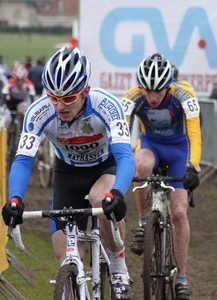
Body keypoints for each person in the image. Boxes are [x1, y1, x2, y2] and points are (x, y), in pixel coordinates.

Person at [1, 47, 135, 300]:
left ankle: (118, 268)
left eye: (69, 98)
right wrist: (15, 198)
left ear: (85, 91)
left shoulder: (106, 105)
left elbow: (125, 157)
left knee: (100, 198)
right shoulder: (40, 111)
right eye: (54, 97)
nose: (60, 106)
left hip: (104, 168)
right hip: (67, 174)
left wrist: (117, 193)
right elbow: (23, 160)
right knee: (66, 258)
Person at [122, 53, 201, 300]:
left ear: (168, 85)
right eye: (147, 91)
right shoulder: (132, 97)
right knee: (141, 165)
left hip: (179, 150)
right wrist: (121, 160)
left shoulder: (183, 96)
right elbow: (123, 132)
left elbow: (195, 135)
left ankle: (181, 279)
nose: (152, 97)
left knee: (178, 213)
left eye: (158, 91)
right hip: (151, 144)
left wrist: (193, 167)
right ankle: (144, 223)